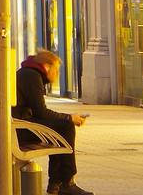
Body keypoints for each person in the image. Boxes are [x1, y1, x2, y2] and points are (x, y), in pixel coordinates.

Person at [14, 50, 91, 195]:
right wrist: (69, 118)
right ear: (47, 66)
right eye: (56, 69)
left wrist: (65, 118)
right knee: (65, 127)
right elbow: (41, 112)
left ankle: (57, 183)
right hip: (20, 130)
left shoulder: (28, 73)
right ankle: (66, 182)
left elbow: (40, 113)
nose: (57, 74)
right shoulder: (32, 76)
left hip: (18, 126)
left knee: (58, 128)